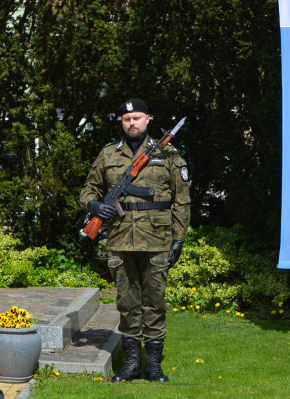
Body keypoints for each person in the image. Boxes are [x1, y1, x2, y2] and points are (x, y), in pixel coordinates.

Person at [80, 98, 191, 383]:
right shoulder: (108, 155)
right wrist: (95, 208)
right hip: (119, 240)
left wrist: (178, 238)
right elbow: (88, 190)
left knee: (154, 303)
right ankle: (131, 364)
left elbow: (181, 201)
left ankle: (153, 365)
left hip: (157, 240)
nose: (132, 123)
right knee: (127, 304)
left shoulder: (168, 154)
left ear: (148, 119)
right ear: (122, 122)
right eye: (127, 119)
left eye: (137, 118)